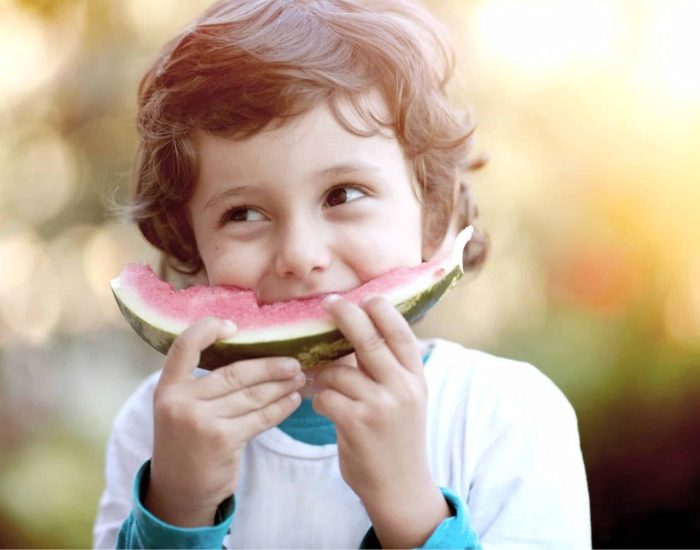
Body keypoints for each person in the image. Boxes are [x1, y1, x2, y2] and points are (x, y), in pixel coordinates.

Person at [93, 0, 591, 548]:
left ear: (436, 213)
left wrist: (408, 504)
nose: (300, 255)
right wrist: (177, 509)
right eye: (244, 214)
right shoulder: (158, 425)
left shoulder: (505, 414)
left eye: (343, 195)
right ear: (191, 242)